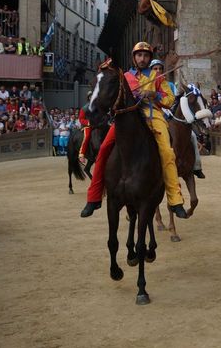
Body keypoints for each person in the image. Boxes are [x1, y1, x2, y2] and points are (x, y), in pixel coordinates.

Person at [80, 44, 187, 219]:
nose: (142, 58)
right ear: (134, 57)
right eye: (139, 55)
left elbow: (170, 99)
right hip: (128, 118)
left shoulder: (157, 77)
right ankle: (93, 197)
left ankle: (175, 200)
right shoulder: (125, 77)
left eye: (145, 55)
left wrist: (155, 95)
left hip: (153, 116)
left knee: (167, 153)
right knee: (104, 149)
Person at [77, 92, 92, 165]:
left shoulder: (99, 106)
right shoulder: (84, 108)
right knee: (87, 136)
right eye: (91, 96)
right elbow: (81, 119)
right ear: (89, 98)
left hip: (98, 125)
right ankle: (81, 154)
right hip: (88, 126)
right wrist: (88, 122)